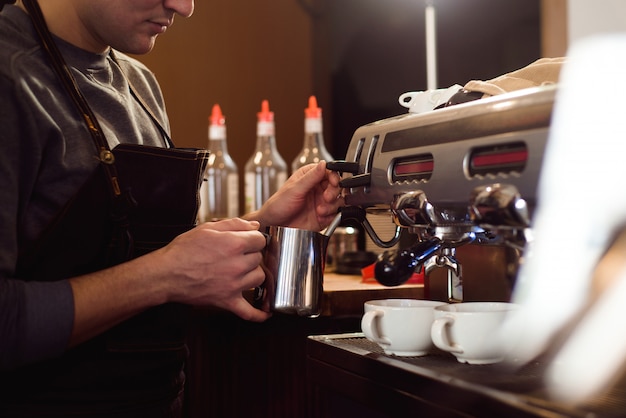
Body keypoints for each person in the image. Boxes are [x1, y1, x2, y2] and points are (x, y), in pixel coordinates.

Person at [0, 0, 343, 416]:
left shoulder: (138, 83)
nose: (184, 6)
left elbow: (145, 257)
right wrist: (164, 276)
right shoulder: (10, 76)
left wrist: (260, 226)